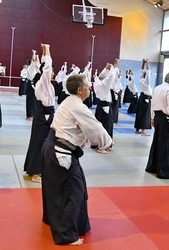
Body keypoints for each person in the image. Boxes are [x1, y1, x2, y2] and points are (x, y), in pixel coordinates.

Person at [41, 73, 113, 246]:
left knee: (61, 188)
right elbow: (94, 127)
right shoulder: (78, 106)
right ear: (80, 90)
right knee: (72, 190)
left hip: (54, 148)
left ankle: (66, 222)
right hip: (60, 151)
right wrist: (107, 142)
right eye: (88, 86)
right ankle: (66, 234)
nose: (90, 89)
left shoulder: (70, 101)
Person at [23, 44, 55, 183]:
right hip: (44, 115)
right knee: (40, 142)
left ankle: (34, 170)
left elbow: (45, 67)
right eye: (52, 71)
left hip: (44, 114)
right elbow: (46, 68)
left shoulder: (43, 83)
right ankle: (36, 173)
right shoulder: (44, 81)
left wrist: (44, 51)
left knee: (40, 142)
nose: (53, 73)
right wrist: (47, 50)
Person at [145, 72, 169, 179]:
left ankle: (152, 167)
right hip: (166, 120)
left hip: (157, 117)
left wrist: (152, 118)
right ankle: (164, 172)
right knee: (167, 146)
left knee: (157, 142)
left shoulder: (157, 88)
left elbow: (153, 104)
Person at [91, 60, 119, 153]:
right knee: (106, 126)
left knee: (99, 125)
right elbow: (110, 77)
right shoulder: (103, 85)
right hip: (105, 107)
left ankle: (96, 142)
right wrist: (114, 67)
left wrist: (106, 68)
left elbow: (101, 76)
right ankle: (103, 146)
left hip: (100, 106)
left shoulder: (96, 82)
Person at [135, 59, 153, 136]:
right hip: (146, 99)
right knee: (145, 115)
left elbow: (141, 72)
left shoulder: (141, 79)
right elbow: (147, 73)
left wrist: (143, 63)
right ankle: (143, 131)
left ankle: (137, 129)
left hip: (142, 97)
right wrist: (147, 64)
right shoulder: (146, 81)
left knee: (140, 113)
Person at [26, 50, 39, 120]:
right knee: (31, 101)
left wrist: (37, 56)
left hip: (32, 84)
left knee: (33, 100)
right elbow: (33, 60)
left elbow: (36, 62)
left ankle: (32, 114)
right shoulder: (31, 67)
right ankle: (30, 115)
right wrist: (34, 53)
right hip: (31, 84)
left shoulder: (33, 68)